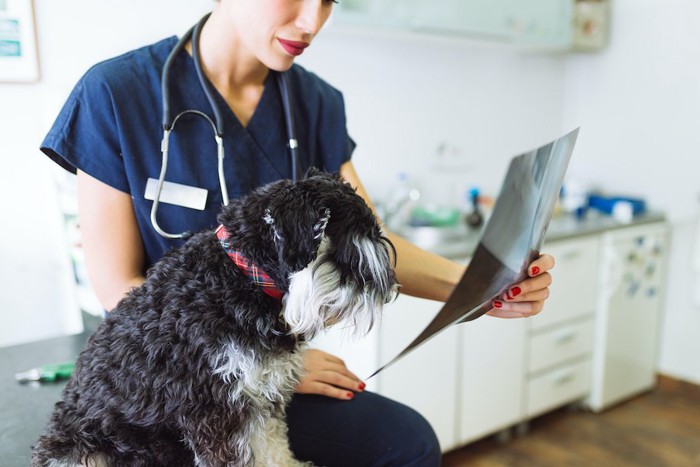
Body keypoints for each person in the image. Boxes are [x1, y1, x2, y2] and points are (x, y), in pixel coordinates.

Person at [40, 1, 555, 465]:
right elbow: (116, 286)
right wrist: (263, 361)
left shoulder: (315, 102)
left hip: (267, 372)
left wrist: (481, 284)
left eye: (329, 0)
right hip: (159, 382)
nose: (312, 21)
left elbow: (368, 241)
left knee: (408, 442)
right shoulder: (116, 92)